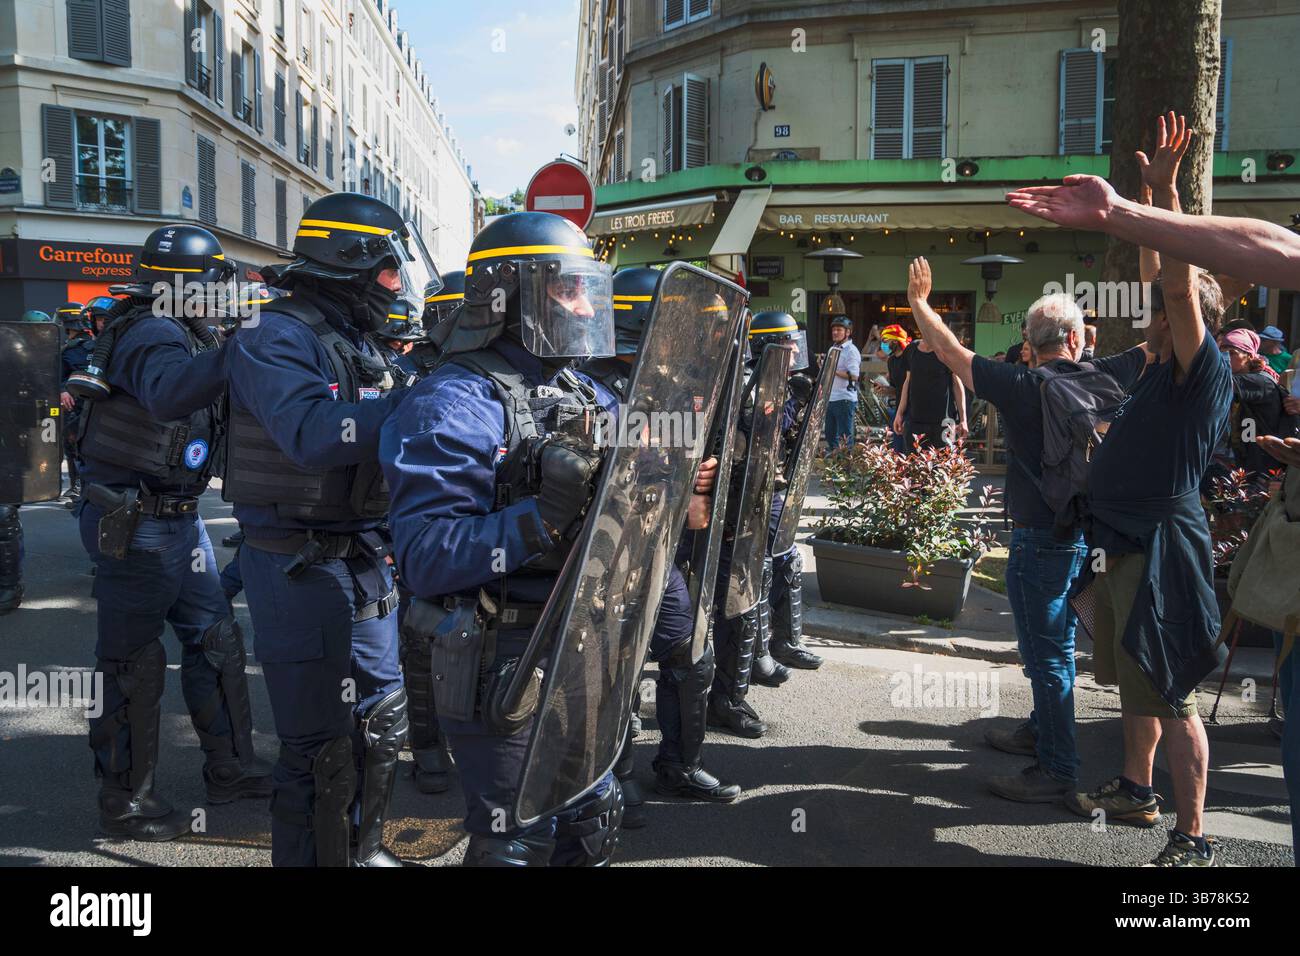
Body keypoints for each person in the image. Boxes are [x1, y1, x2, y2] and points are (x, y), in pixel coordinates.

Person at [381, 211, 627, 866]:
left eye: (587, 289)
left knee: (592, 816)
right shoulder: (454, 402)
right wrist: (538, 518)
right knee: (516, 836)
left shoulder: (587, 391)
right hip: (502, 651)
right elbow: (425, 558)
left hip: (582, 640)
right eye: (566, 289)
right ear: (508, 295)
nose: (584, 305)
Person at [223, 192, 418, 867]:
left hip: (361, 555)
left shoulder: (354, 338)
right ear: (350, 265)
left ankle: (360, 850)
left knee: (380, 721)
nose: (395, 286)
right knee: (318, 746)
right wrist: (418, 403)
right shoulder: (271, 335)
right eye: (389, 272)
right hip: (295, 564)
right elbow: (310, 433)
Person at [1059, 114, 1232, 866]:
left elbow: (1173, 283)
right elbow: (1150, 279)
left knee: (1174, 694)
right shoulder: (1160, 369)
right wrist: (1147, 218)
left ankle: (1191, 836)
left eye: (1161, 309)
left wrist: (1164, 196)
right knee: (1134, 680)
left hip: (1165, 551)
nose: (1148, 313)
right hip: (1124, 546)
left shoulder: (1202, 373)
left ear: (1182, 318)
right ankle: (1136, 789)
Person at [907, 259, 1142, 802]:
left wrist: (921, 303)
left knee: (1048, 656)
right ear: (1079, 339)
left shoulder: (1019, 384)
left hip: (1040, 539)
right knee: (1050, 650)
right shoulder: (1107, 373)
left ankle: (1058, 770)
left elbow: (949, 353)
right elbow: (1158, 344)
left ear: (1030, 343)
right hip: (1080, 534)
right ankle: (1040, 731)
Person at [71, 224, 272, 842]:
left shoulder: (184, 329)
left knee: (215, 640)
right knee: (134, 663)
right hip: (136, 521)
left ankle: (231, 768)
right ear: (184, 284)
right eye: (213, 281)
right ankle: (125, 798)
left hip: (176, 520)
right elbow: (167, 394)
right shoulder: (154, 331)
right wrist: (241, 348)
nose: (222, 292)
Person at [581, 266, 739, 815]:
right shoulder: (590, 388)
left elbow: (671, 461)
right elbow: (607, 478)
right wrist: (676, 483)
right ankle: (607, 780)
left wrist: (694, 475)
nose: (687, 336)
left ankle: (678, 765)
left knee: (687, 653)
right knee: (612, 668)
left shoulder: (663, 382)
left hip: (654, 548)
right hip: (603, 556)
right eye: (677, 323)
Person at [1220, 327, 1292, 486]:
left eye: (1232, 353)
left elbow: (1217, 384)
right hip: (1248, 463)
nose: (1225, 358)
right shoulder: (1244, 378)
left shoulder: (1259, 381)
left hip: (1266, 469)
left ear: (1249, 356)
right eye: (1222, 353)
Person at [893, 329, 967, 452]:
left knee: (942, 467)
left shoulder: (947, 351)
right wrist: (899, 413)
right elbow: (907, 382)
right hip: (915, 422)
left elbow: (957, 384)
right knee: (913, 468)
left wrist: (963, 419)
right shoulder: (911, 349)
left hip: (943, 423)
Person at [58, 302, 94, 500]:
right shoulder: (96, 345)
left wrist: (62, 390)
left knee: (73, 448)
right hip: (89, 406)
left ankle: (79, 488)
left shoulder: (69, 350)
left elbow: (55, 375)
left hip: (76, 408)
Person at [823, 315, 861, 451]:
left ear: (848, 332)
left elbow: (854, 376)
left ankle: (844, 469)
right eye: (833, 329)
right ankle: (835, 467)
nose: (835, 332)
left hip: (845, 399)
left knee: (844, 437)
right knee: (829, 435)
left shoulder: (851, 351)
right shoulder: (833, 349)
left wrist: (832, 370)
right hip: (831, 398)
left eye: (839, 330)